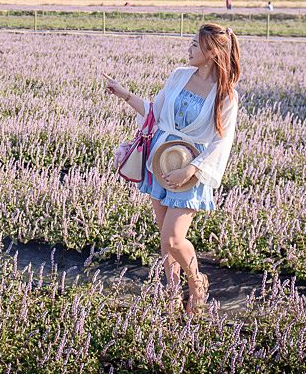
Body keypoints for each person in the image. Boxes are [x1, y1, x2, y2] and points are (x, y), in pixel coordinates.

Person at [103, 23, 241, 314]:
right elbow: (155, 113)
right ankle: (173, 290)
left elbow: (221, 142)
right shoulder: (179, 75)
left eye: (194, 45)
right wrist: (124, 94)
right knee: (163, 235)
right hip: (161, 159)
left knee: (173, 237)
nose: (188, 49)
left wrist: (191, 170)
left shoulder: (226, 94)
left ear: (211, 52)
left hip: (191, 169)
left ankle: (196, 282)